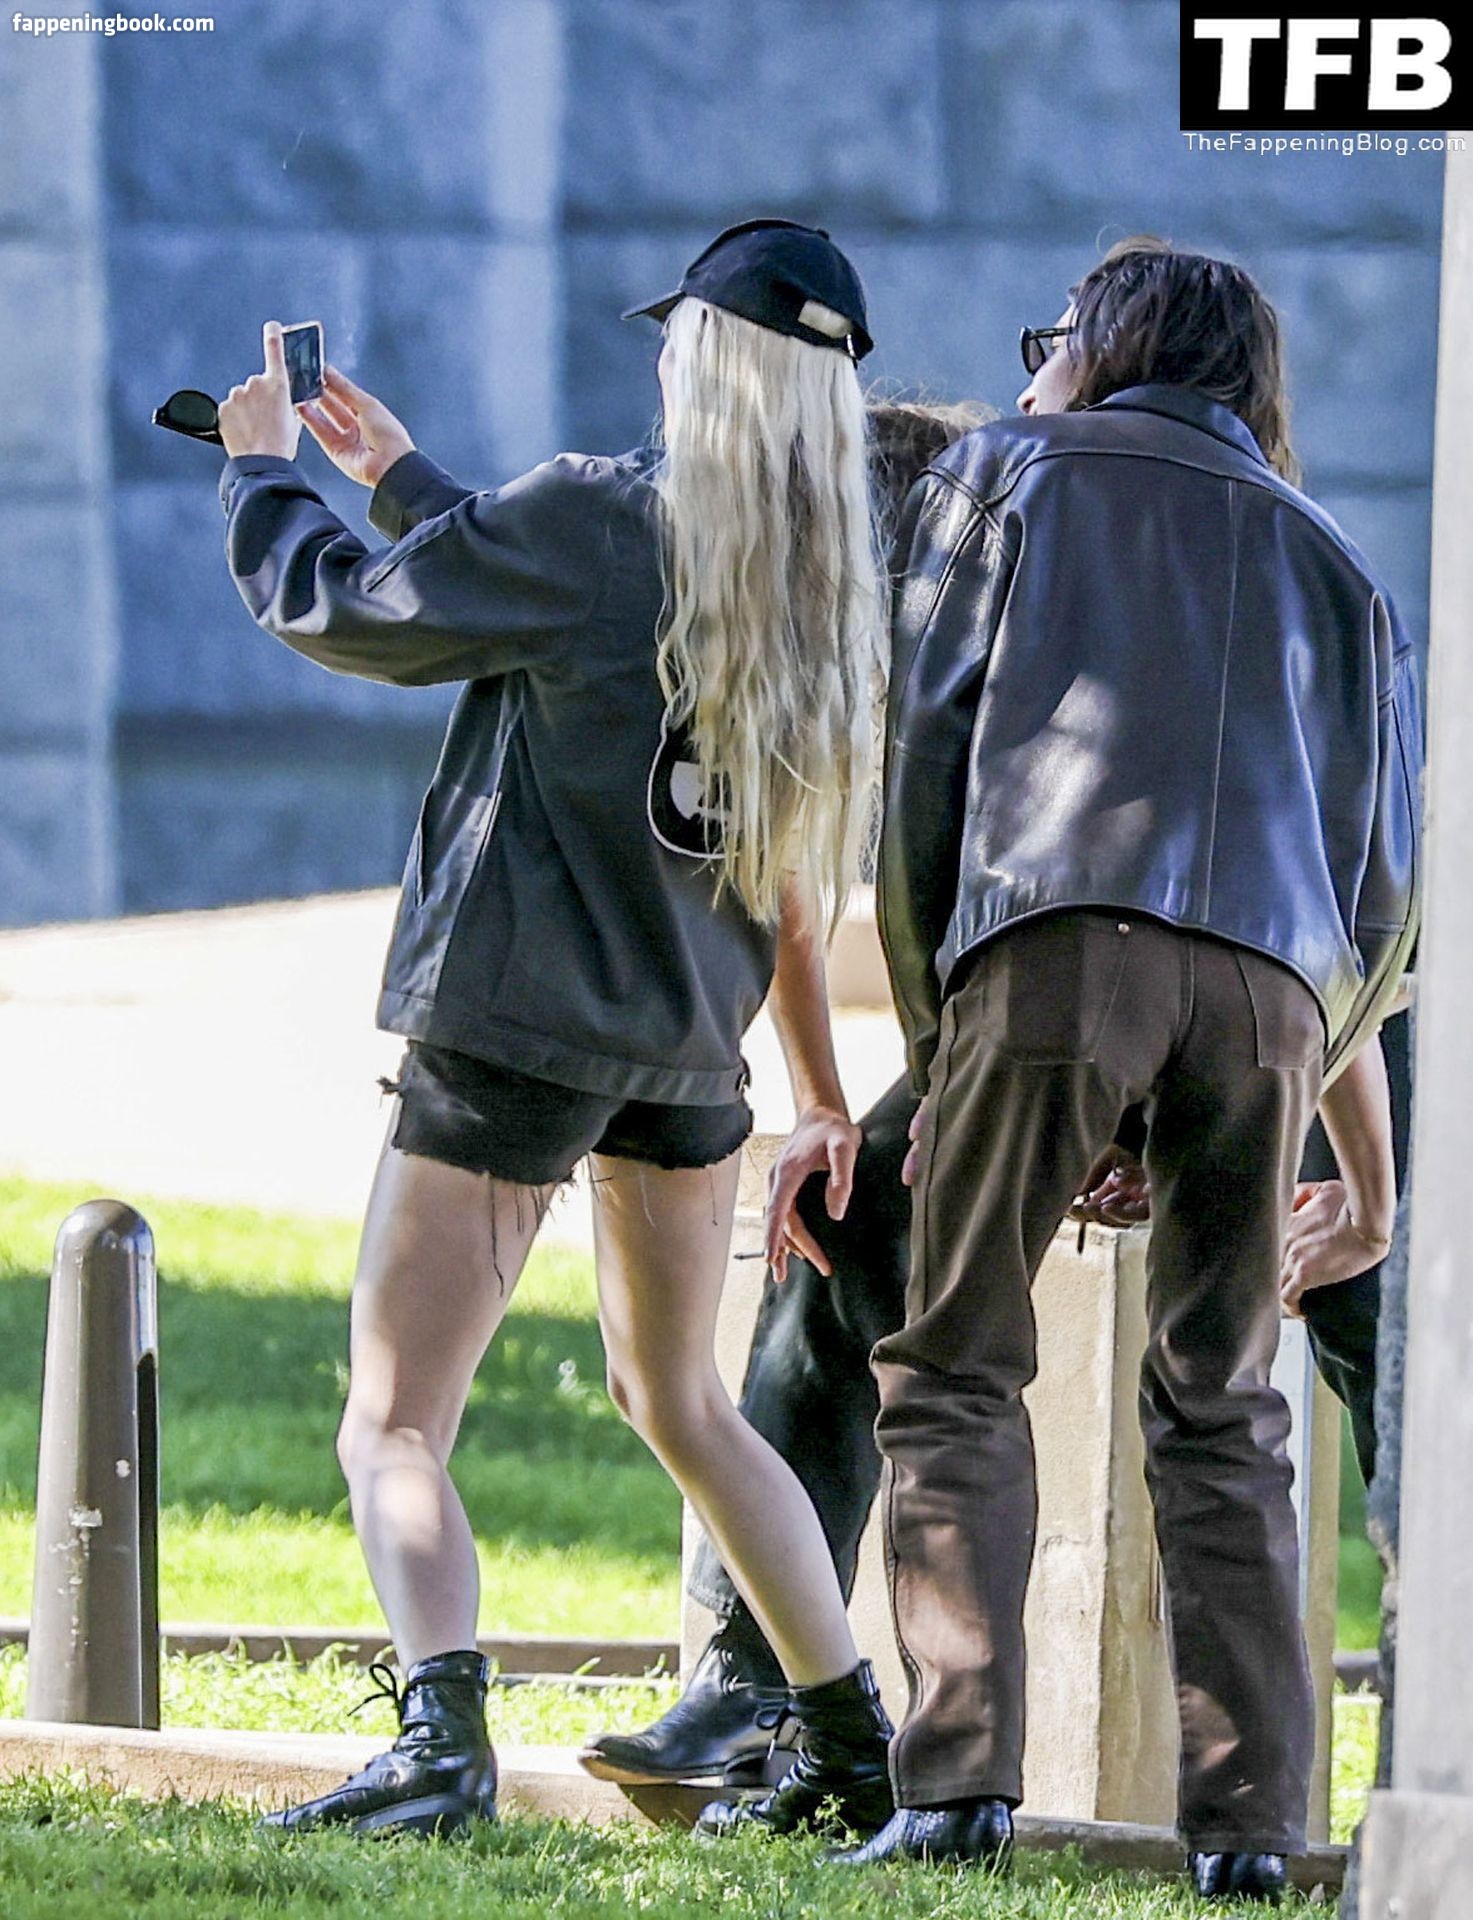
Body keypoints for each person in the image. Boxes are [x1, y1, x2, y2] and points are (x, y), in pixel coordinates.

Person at [585, 364, 1411, 1816]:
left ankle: (1420, 1748)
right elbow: (796, 878)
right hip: (1134, 991)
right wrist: (839, 1102)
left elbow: (1343, 897)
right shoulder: (986, 565)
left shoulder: (1038, 548)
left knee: (1370, 1341)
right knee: (854, 1228)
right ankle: (762, 1679)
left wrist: (1362, 1185)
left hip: (1317, 1016)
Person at [212, 218, 899, 1842]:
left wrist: (257, 477)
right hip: (685, 1055)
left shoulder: (598, 513)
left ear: (700, 363)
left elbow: (357, 616)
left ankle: (439, 1745)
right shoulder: (824, 593)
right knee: (684, 1405)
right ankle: (848, 1743)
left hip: (512, 1033)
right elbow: (586, 636)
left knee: (394, 1416)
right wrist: (403, 479)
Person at [817, 238, 1420, 1901]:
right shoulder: (1335, 560)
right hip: (1274, 996)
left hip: (1047, 945)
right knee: (1222, 1405)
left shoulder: (1002, 475)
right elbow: (1384, 889)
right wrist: (1290, 1055)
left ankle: (955, 1784)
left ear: (1104, 340)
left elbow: (925, 768)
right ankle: (1251, 1833)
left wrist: (947, 1047)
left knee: (952, 1359)